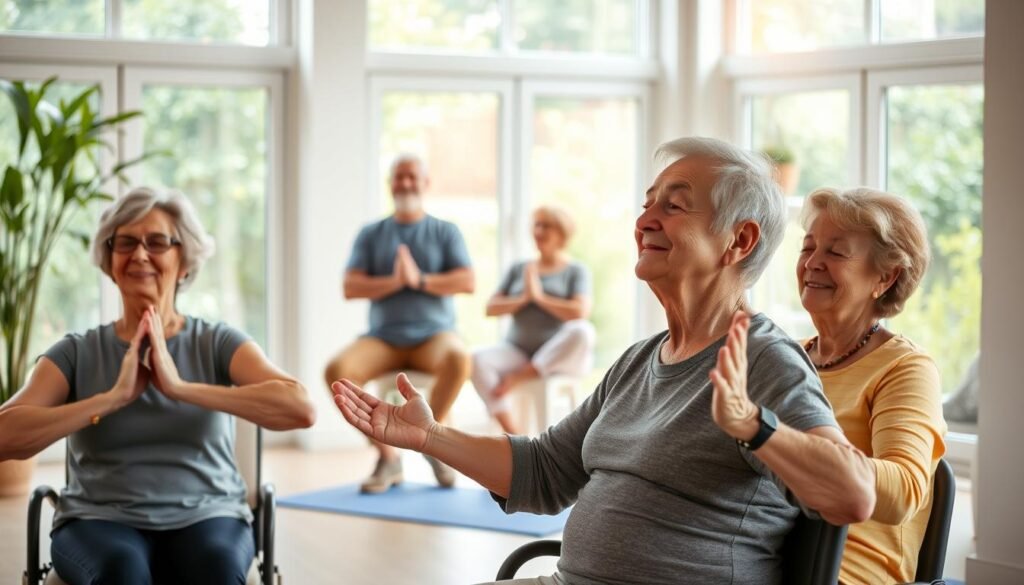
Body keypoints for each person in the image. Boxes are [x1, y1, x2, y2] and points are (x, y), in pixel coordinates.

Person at [333, 137, 877, 584]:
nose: (645, 221)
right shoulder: (640, 361)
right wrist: (431, 438)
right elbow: (545, 472)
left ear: (739, 240)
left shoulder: (764, 362)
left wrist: (756, 427)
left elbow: (853, 494)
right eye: (647, 203)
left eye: (673, 205)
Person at [0, 187, 316, 585]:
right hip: (99, 520)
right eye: (126, 242)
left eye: (158, 242)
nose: (140, 254)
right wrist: (110, 398)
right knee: (122, 572)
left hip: (210, 516)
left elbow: (300, 408)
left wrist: (181, 387)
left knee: (214, 569)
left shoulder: (216, 342)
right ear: (109, 261)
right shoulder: (77, 352)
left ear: (184, 261)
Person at [796, 187, 947, 584]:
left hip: (846, 573)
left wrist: (778, 443)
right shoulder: (784, 356)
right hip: (766, 554)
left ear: (886, 276)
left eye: (835, 252)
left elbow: (903, 491)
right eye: (807, 247)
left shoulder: (904, 367)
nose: (812, 262)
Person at [324, 153, 475, 493]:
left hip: (434, 336)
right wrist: (394, 281)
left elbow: (467, 281)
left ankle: (429, 442)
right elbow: (351, 286)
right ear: (390, 183)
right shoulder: (371, 233)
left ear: (425, 183)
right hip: (384, 340)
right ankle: (388, 457)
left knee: (460, 359)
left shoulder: (445, 231)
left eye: (412, 176)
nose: (406, 182)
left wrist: (419, 279)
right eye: (399, 177)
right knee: (338, 371)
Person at [471, 205, 595, 434]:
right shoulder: (520, 268)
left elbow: (579, 311)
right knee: (476, 359)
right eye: (536, 225)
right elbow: (491, 308)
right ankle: (514, 435)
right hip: (517, 351)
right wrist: (523, 298)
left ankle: (523, 375)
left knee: (583, 332)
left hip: (554, 357)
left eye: (545, 225)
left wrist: (539, 297)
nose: (538, 231)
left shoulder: (576, 270)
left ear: (561, 232)